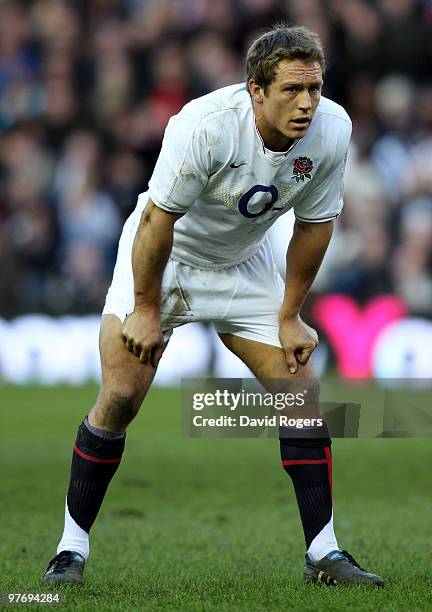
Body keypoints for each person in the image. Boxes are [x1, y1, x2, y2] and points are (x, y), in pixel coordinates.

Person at [43, 25, 383, 588]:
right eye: (291, 91)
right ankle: (69, 550)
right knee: (123, 394)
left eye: (315, 89)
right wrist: (147, 309)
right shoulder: (203, 125)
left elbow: (315, 225)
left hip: (245, 260)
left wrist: (291, 313)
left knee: (300, 391)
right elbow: (157, 221)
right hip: (167, 257)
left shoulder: (332, 129)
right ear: (255, 90)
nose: (306, 104)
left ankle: (323, 554)